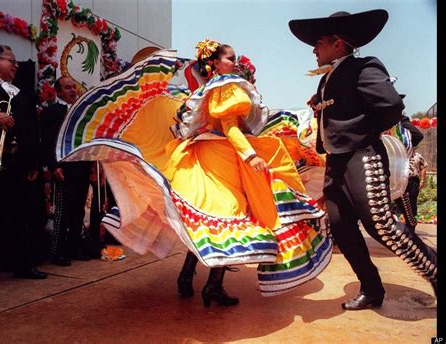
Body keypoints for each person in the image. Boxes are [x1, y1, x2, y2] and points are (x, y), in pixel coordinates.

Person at [288, 9, 437, 310]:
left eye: (319, 43)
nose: (314, 50)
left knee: (382, 226)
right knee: (341, 227)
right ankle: (371, 289)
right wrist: (320, 108)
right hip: (337, 163)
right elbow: (341, 111)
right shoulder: (328, 78)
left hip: (362, 157)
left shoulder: (364, 67)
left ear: (338, 43)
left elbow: (391, 106)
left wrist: (359, 134)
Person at [168, 39, 331, 307]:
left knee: (209, 218)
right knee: (232, 214)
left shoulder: (210, 87)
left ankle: (187, 276)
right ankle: (212, 286)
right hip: (223, 153)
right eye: (230, 58)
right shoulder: (226, 85)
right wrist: (251, 155)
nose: (236, 62)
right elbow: (231, 127)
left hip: (207, 151)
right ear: (215, 63)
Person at [0, 45, 47, 279]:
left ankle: (21, 263)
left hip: (17, 161)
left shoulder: (18, 91)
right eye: (12, 60)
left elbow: (30, 130)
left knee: (20, 214)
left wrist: (33, 163)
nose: (16, 65)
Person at [41, 76, 93, 266]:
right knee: (63, 211)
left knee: (78, 210)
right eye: (67, 87)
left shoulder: (82, 112)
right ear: (59, 92)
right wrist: (54, 166)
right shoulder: (52, 111)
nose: (72, 90)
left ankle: (74, 247)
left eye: (74, 86)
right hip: (64, 168)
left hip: (81, 166)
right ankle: (57, 251)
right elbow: (48, 141)